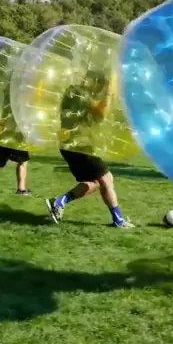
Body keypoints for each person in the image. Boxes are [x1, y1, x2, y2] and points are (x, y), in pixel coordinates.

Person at [45, 69, 132, 228]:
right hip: (77, 144)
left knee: (95, 182)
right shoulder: (78, 92)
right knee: (106, 179)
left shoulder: (79, 94)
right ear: (92, 81)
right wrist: (111, 88)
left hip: (75, 145)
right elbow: (101, 112)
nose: (100, 89)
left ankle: (59, 201)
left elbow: (95, 119)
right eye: (100, 85)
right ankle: (118, 220)